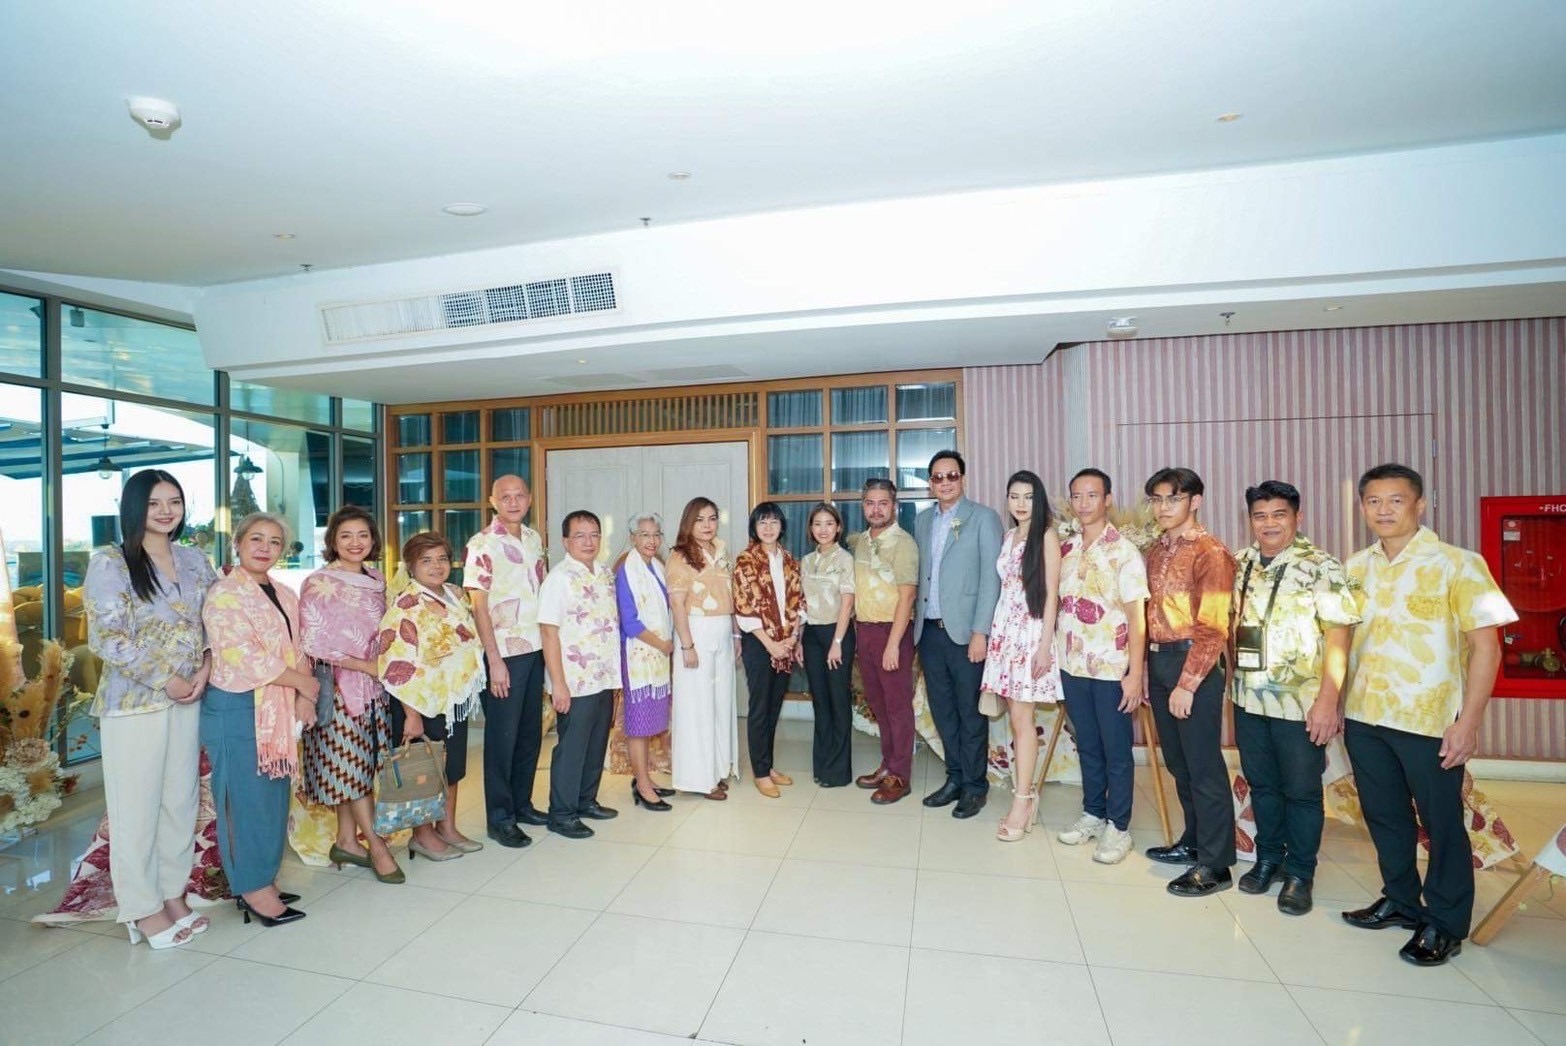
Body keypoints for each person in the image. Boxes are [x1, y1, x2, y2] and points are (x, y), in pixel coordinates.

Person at [1340, 463, 1516, 966]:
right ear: (1362, 507)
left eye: (1396, 500)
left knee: (1441, 824)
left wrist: (1468, 722)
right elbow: (1340, 639)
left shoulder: (1458, 564)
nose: (1384, 510)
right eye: (1374, 501)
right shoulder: (1355, 567)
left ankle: (1445, 922)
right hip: (1366, 716)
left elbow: (1487, 649)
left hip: (1430, 721)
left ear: (1420, 504)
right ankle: (1400, 900)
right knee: (1385, 816)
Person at [82, 469, 217, 949]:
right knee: (135, 809)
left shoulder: (196, 559)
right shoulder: (111, 562)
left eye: (174, 501)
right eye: (155, 502)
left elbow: (213, 623)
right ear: (135, 507)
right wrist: (167, 678)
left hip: (190, 696)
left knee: (179, 802)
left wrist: (205, 667)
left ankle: (172, 894)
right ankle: (141, 908)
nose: (166, 511)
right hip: (134, 702)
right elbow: (107, 637)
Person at [1230, 481, 1359, 915]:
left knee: (1302, 791)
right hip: (1248, 698)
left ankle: (1301, 872)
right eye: (1260, 515)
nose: (1269, 524)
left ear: (1297, 517)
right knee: (1262, 783)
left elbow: (1339, 639)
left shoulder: (1323, 566)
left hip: (1300, 703)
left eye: (1278, 514)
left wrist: (1328, 702)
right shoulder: (1241, 563)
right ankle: (1269, 858)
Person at [202, 512, 317, 927]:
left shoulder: (284, 592)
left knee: (272, 798)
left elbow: (299, 646)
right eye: (256, 539)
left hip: (277, 705)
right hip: (237, 706)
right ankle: (251, 888)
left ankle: (265, 877)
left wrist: (304, 694)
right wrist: (304, 684)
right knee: (245, 801)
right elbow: (243, 656)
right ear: (238, 543)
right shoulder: (224, 594)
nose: (265, 548)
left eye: (274, 542)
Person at [1143, 467, 1237, 897]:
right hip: (1160, 661)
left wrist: (1188, 683)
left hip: (1193, 663)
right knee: (1179, 763)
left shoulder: (1210, 552)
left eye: (1173, 499)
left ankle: (1216, 864)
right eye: (1157, 499)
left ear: (1195, 501)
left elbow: (1214, 627)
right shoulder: (1156, 550)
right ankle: (1194, 842)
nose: (1163, 507)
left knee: (1203, 767)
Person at [298, 506, 403, 885]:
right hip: (340, 689)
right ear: (332, 541)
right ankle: (376, 845)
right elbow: (313, 641)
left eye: (362, 535)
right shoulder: (319, 583)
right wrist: (363, 666)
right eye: (346, 536)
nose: (355, 543)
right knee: (351, 767)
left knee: (359, 768)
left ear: (373, 539)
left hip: (375, 688)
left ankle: (346, 841)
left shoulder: (376, 579)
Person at [1055, 468, 1148, 866]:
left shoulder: (1124, 552)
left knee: (1116, 750)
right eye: (1077, 496)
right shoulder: (1066, 549)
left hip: (1111, 669)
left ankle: (1119, 826)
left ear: (1107, 499)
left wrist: (1135, 675)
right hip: (1073, 666)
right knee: (1088, 745)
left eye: (1092, 495)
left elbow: (1137, 619)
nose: (1084, 503)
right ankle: (1093, 813)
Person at [377, 531, 486, 861]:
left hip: (451, 699)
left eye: (441, 559)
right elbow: (394, 662)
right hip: (419, 702)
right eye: (426, 560)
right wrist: (411, 714)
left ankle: (447, 827)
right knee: (424, 769)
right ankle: (422, 836)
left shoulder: (452, 594)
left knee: (451, 767)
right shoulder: (405, 604)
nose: (436, 566)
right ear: (410, 566)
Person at [913, 450, 1004, 819]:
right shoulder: (922, 521)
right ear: (930, 483)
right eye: (938, 477)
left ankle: (975, 787)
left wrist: (981, 631)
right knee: (943, 711)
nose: (945, 482)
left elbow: (991, 579)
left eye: (952, 475)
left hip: (966, 634)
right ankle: (954, 778)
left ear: (963, 478)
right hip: (929, 632)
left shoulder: (983, 518)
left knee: (970, 713)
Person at [464, 474, 549, 848]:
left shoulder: (533, 538)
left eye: (519, 496)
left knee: (530, 732)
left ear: (529, 499)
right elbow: (478, 606)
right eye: (505, 497)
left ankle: (521, 804)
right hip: (503, 654)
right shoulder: (482, 544)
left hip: (535, 647)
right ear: (492, 501)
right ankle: (499, 818)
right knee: (503, 738)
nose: (513, 502)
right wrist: (494, 660)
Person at [980, 470, 1064, 841]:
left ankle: (1023, 800)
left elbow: (1052, 594)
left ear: (1038, 499)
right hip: (1005, 632)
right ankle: (1024, 796)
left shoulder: (1046, 535)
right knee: (1015, 719)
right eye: (1014, 496)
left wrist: (1044, 646)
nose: (1021, 503)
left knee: (1021, 719)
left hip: (1030, 634)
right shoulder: (1008, 536)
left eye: (1028, 496)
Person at [539, 510, 621, 839]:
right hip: (574, 679)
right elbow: (548, 633)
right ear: (565, 541)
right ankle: (561, 813)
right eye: (580, 536)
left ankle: (586, 800)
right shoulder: (558, 579)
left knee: (597, 742)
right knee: (572, 747)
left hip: (603, 676)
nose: (588, 542)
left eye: (594, 535)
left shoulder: (604, 573)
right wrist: (558, 684)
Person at [849, 478, 920, 805]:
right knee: (878, 704)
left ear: (895, 507)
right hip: (865, 631)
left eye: (883, 503)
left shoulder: (903, 544)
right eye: (870, 503)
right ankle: (888, 764)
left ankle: (900, 775)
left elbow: (907, 597)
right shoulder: (861, 541)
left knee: (897, 707)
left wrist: (893, 644)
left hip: (893, 632)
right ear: (863, 506)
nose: (876, 510)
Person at [667, 497, 740, 800]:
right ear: (688, 522)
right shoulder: (679, 555)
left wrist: (736, 636)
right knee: (696, 707)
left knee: (721, 704)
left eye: (712, 518)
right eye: (700, 519)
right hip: (695, 633)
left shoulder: (721, 551)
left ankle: (717, 769)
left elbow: (731, 597)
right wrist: (687, 645)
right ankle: (699, 779)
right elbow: (677, 604)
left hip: (723, 633)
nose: (707, 525)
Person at [733, 501, 806, 798]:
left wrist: (792, 639)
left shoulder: (789, 560)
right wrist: (771, 644)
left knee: (775, 706)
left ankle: (769, 764)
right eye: (762, 522)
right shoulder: (746, 560)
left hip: (785, 643)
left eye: (773, 521)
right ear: (754, 527)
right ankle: (760, 772)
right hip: (759, 642)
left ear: (781, 526)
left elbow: (799, 601)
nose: (768, 527)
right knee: (760, 708)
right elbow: (744, 607)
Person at [614, 512, 676, 811]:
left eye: (655, 534)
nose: (651, 540)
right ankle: (642, 785)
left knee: (651, 721)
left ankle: (645, 778)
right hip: (638, 657)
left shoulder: (658, 567)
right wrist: (663, 644)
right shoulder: (626, 569)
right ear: (632, 538)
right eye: (644, 535)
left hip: (658, 658)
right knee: (638, 725)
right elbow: (629, 622)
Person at [798, 503, 857, 787]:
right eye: (817, 524)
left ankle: (838, 772)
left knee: (838, 701)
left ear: (838, 528)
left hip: (837, 633)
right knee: (820, 701)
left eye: (829, 524)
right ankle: (821, 766)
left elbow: (847, 603)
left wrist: (838, 643)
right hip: (811, 635)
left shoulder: (845, 559)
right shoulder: (806, 561)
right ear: (810, 528)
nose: (823, 529)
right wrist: (799, 639)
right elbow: (802, 604)